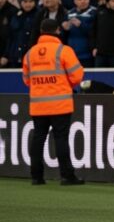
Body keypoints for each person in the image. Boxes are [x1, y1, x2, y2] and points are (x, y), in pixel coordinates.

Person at [21, 19, 85, 186]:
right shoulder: (64, 51)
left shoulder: (30, 53)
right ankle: (67, 176)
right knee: (61, 139)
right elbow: (78, 75)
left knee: (38, 139)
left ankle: (36, 176)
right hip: (60, 104)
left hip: (38, 104)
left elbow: (27, 80)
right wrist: (65, 84)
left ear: (41, 31)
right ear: (57, 30)